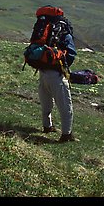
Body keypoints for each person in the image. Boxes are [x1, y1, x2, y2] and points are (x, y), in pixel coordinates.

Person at [37, 14, 78, 143]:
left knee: (46, 102)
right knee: (65, 106)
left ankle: (47, 126)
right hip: (57, 75)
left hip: (42, 72)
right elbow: (71, 54)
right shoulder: (65, 35)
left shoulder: (46, 33)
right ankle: (66, 135)